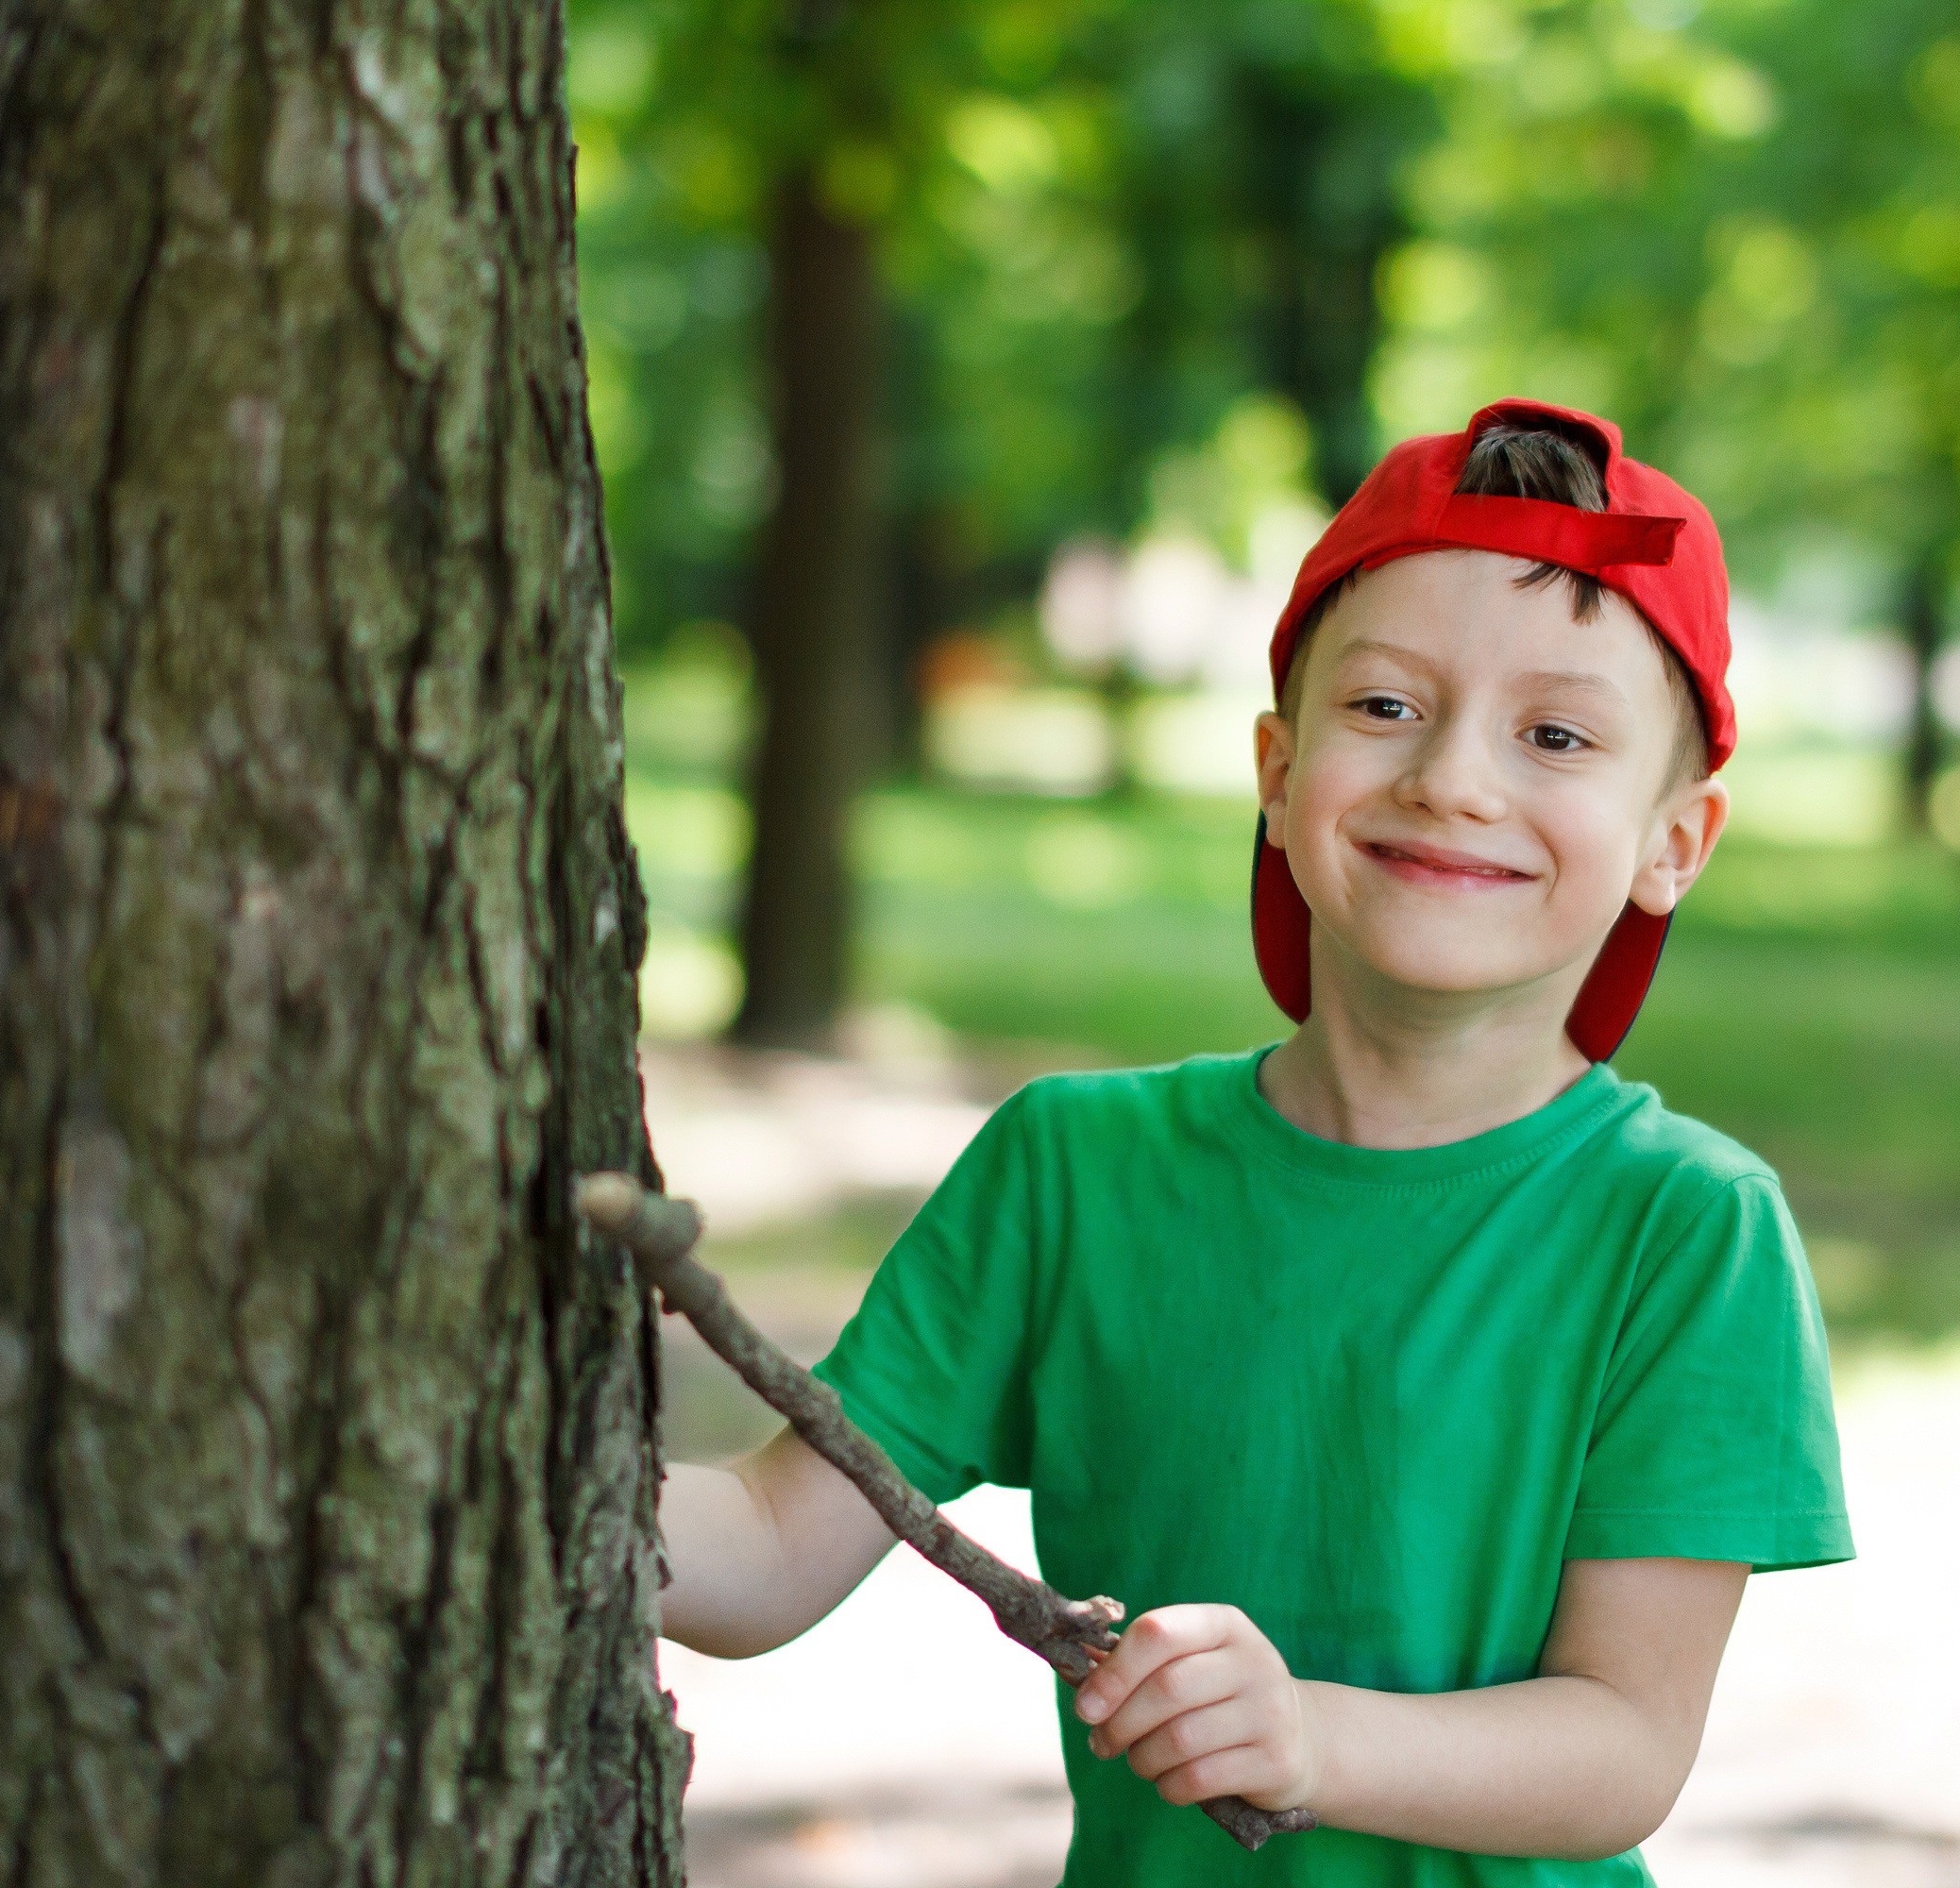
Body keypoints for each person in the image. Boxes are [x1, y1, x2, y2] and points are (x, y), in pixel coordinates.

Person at [656, 397, 1852, 1882]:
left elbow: (1624, 1746)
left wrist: (1314, 1740)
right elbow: (770, 1552)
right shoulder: (1069, 1176)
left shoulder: (1686, 1229)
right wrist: (542, 1479)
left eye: (1555, 734)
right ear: (1279, 774)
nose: (1454, 779)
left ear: (1677, 841)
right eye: (1386, 708)